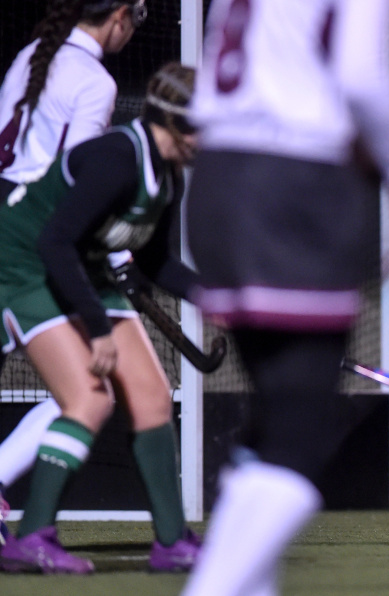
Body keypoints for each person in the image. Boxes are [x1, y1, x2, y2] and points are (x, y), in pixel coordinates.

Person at [180, 1, 389, 594]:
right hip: (294, 188)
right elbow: (360, 78)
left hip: (218, 182)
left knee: (274, 420)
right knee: (302, 430)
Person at [0, 61, 201, 574]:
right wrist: (96, 329)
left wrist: (217, 298)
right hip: (22, 266)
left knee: (153, 395)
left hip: (78, 266)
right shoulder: (118, 159)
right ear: (178, 124)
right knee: (89, 398)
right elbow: (53, 240)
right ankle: (32, 536)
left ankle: (172, 542)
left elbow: (154, 261)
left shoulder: (167, 174)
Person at [0, 0, 147, 543]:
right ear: (118, 18)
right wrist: (114, 259)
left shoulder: (29, 56)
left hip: (3, 220)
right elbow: (83, 182)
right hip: (33, 242)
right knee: (90, 388)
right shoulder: (95, 83)